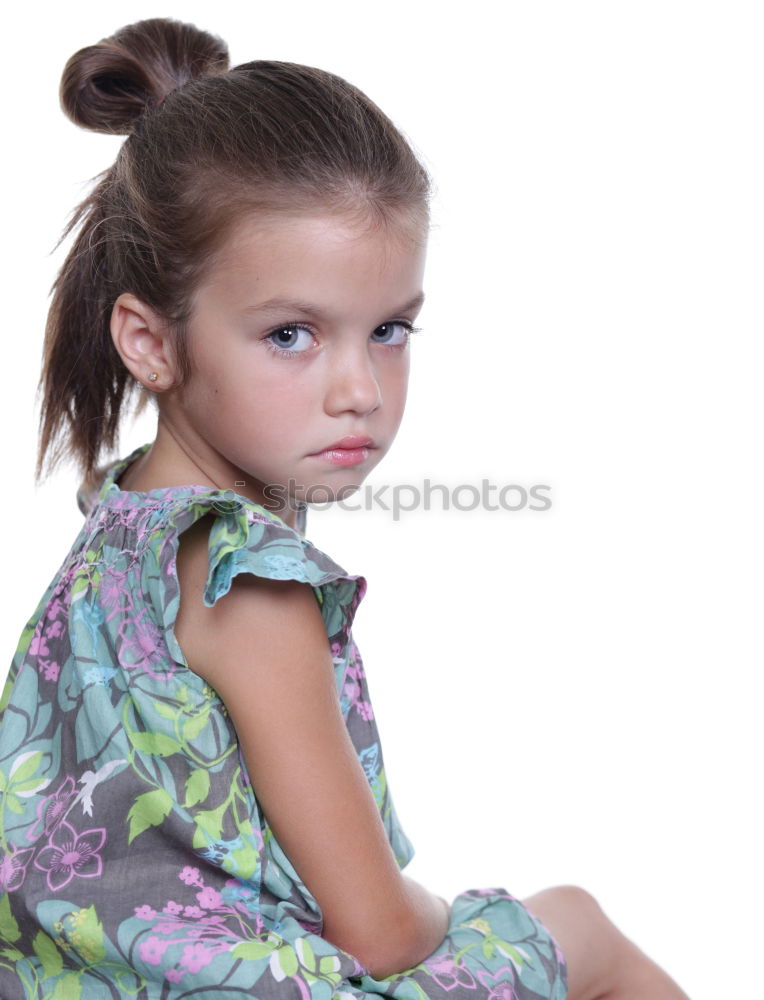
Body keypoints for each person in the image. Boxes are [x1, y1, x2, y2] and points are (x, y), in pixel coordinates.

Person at [0, 17, 689, 1000]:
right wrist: (466, 918)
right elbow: (374, 933)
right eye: (290, 334)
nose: (358, 388)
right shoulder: (246, 583)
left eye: (389, 329)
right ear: (149, 342)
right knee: (581, 928)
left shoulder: (120, 527)